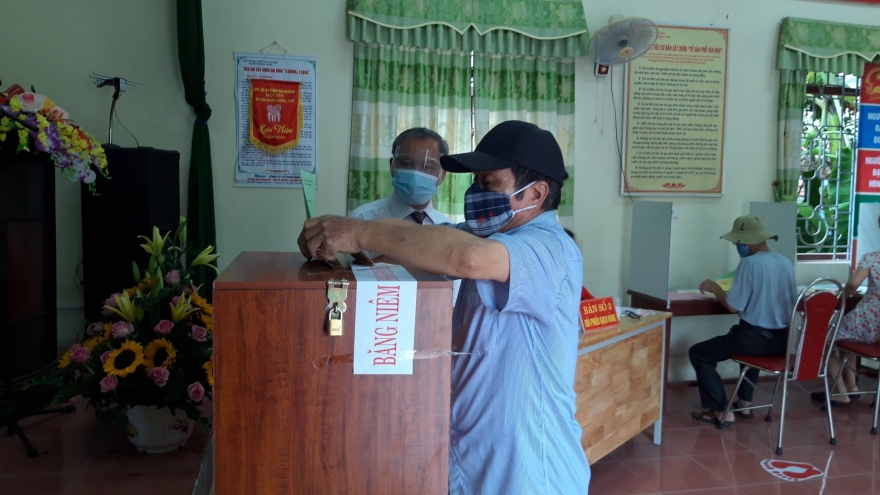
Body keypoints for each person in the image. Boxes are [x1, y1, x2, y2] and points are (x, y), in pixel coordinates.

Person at [298, 120, 589, 494]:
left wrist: (358, 232)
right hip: (474, 461)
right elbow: (416, 248)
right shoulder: (489, 236)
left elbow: (468, 258)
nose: (477, 193)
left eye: (489, 184)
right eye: (475, 183)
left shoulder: (550, 248)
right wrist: (341, 251)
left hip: (530, 472)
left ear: (536, 193)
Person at [689, 215, 797, 427]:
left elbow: (733, 307)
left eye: (738, 243)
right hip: (782, 341)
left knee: (699, 353)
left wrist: (715, 289)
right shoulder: (785, 262)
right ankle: (745, 402)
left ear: (746, 241)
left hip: (753, 339)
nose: (737, 247)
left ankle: (720, 410)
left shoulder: (749, 263)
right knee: (749, 352)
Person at [811, 216, 880, 406]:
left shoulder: (872, 258)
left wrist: (840, 296)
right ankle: (852, 386)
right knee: (848, 341)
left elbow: (853, 284)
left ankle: (841, 391)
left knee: (823, 341)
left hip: (866, 320)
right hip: (876, 333)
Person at [349, 127, 451, 226]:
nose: (415, 174)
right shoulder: (362, 220)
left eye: (427, 166)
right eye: (406, 163)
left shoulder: (449, 229)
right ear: (392, 166)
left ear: (442, 174)